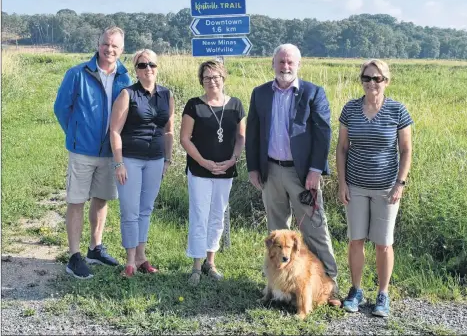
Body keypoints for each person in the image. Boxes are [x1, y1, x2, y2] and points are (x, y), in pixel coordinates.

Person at [245, 43, 340, 306]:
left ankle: (329, 286)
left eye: (290, 62)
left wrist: (315, 171)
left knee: (315, 229)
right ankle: (278, 288)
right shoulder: (260, 93)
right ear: (273, 63)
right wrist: (253, 167)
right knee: (276, 234)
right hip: (271, 171)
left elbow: (323, 134)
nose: (285, 67)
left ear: (298, 65)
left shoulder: (313, 93)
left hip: (302, 175)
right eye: (281, 62)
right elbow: (253, 133)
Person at [336, 59, 413, 317]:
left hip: (386, 189)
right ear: (362, 80)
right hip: (355, 187)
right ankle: (356, 290)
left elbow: (405, 150)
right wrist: (342, 183)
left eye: (377, 79)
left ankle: (382, 294)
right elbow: (342, 148)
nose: (371, 83)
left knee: (383, 244)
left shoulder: (398, 111)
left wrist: (400, 183)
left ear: (386, 81)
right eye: (367, 78)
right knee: (355, 240)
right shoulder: (350, 109)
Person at [54, 27, 132, 279]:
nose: (109, 50)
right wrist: (76, 134)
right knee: (76, 200)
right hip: (82, 151)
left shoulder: (125, 78)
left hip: (110, 152)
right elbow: (61, 108)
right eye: (106, 44)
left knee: (101, 199)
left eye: (115, 47)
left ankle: (94, 249)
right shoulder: (77, 73)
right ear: (98, 44)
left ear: (122, 50)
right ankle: (74, 257)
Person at [180, 60, 246, 286]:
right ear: (201, 80)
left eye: (216, 76)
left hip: (226, 170)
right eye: (207, 77)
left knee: (218, 215)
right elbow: (184, 138)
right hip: (200, 170)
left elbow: (240, 137)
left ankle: (210, 261)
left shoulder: (236, 105)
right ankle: (196, 266)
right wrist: (203, 162)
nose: (212, 81)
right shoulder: (193, 105)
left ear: (223, 78)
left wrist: (233, 160)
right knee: (199, 215)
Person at [110, 49, 175, 277]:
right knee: (130, 210)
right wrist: (119, 163)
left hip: (156, 160)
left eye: (152, 65)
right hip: (130, 159)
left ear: (158, 67)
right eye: (142, 65)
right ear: (136, 71)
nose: (148, 69)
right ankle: (129, 262)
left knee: (146, 209)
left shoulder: (167, 95)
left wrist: (168, 159)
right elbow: (115, 131)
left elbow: (168, 131)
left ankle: (141, 257)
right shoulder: (127, 94)